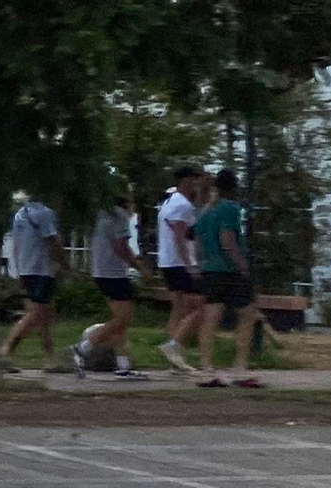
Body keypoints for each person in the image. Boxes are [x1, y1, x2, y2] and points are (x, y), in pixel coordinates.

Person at [193, 167, 264, 389]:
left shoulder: (205, 211)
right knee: (247, 314)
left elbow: (198, 244)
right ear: (233, 187)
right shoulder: (230, 209)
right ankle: (240, 367)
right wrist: (242, 265)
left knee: (210, 319)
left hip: (209, 269)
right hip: (229, 270)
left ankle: (206, 368)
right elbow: (228, 241)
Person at [72, 189, 143, 378]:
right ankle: (84, 347)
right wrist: (137, 265)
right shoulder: (119, 215)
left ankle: (123, 365)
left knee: (119, 320)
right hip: (112, 272)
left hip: (100, 271)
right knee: (123, 319)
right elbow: (120, 246)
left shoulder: (101, 214)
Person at [0, 191, 63, 373]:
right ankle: (4, 351)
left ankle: (51, 359)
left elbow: (17, 244)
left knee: (44, 316)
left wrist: (18, 268)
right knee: (35, 314)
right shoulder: (45, 213)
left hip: (26, 269)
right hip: (42, 270)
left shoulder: (20, 214)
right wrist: (65, 264)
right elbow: (53, 241)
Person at [154, 164, 208, 371]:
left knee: (179, 309)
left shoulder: (171, 202)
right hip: (180, 263)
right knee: (204, 306)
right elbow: (180, 235)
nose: (197, 184)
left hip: (168, 262)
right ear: (186, 181)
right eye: (195, 180)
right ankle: (173, 345)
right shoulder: (182, 205)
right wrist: (190, 265)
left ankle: (175, 358)